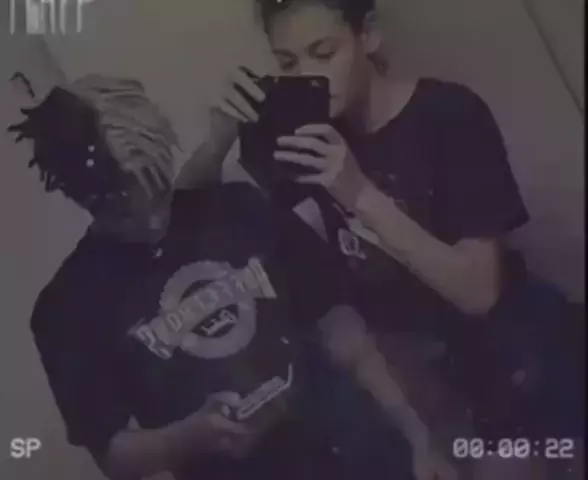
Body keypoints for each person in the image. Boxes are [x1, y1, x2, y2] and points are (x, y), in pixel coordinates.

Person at [176, 0, 583, 478]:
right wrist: (217, 141)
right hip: (415, 367)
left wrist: (358, 192)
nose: (307, 74)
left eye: (323, 53)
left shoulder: (447, 114)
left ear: (368, 35)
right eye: (288, 63)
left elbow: (479, 292)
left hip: (510, 347)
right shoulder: (302, 138)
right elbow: (180, 223)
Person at [10, 74, 446, 480]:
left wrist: (417, 436)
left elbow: (341, 328)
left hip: (366, 452)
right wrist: (189, 437)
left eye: (155, 187)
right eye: (119, 205)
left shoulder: (239, 208)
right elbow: (110, 451)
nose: (148, 217)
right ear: (78, 195)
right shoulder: (65, 309)